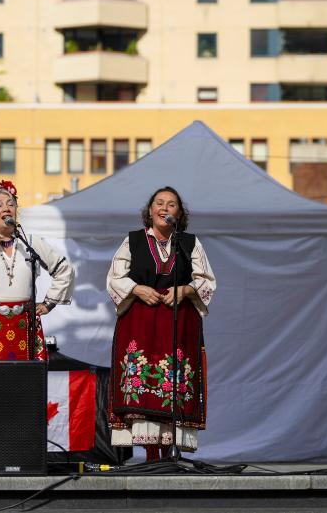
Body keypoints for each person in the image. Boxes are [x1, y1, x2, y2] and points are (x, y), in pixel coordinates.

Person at [106, 187, 216, 461]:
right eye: (159, 203)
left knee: (174, 387)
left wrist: (186, 290)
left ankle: (168, 456)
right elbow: (114, 278)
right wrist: (137, 289)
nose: (164, 208)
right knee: (143, 390)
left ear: (179, 213)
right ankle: (152, 457)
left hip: (178, 327)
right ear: (150, 210)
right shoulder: (132, 240)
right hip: (140, 326)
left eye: (171, 204)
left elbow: (207, 280)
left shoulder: (189, 243)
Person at [0, 180, 73, 407]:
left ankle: (19, 436)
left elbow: (63, 268)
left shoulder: (29, 243)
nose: (6, 208)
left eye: (10, 204)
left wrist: (49, 303)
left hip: (24, 326)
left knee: (23, 389)